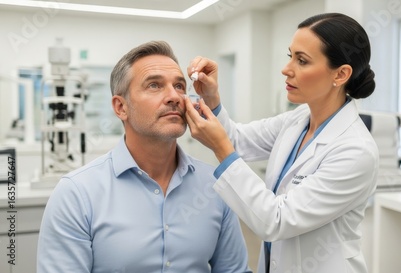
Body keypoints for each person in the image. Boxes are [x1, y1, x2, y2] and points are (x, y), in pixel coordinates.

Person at [183, 13, 379, 273]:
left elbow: (276, 221)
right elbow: (238, 140)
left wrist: (221, 149)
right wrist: (212, 99)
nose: (286, 70)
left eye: (302, 61)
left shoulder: (355, 151)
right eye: (291, 56)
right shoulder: (297, 120)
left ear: (341, 74)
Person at [37, 40, 252, 273]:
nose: (174, 97)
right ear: (121, 107)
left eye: (180, 86)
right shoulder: (76, 194)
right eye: (154, 85)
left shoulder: (215, 186)